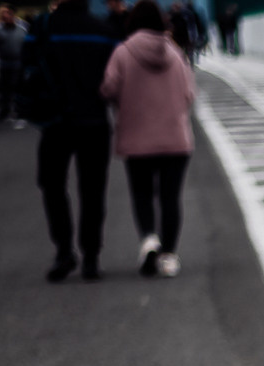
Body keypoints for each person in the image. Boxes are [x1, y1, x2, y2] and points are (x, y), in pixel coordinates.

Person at [23, 0, 116, 281]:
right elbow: (113, 79)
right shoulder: (103, 30)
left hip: (56, 121)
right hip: (95, 121)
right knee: (93, 190)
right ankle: (91, 256)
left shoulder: (41, 27)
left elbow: (26, 69)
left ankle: (64, 250)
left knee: (51, 185)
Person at [100, 0, 191, 276]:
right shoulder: (175, 53)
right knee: (170, 197)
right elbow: (189, 93)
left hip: (136, 136)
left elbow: (108, 89)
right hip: (175, 138)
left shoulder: (123, 52)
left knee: (142, 193)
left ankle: (150, 239)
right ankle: (170, 257)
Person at [0, 3, 26, 121]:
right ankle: (4, 110)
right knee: (5, 88)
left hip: (18, 62)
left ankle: (19, 109)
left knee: (17, 86)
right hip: (4, 62)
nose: (6, 16)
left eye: (8, 14)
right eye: (4, 14)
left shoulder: (22, 30)